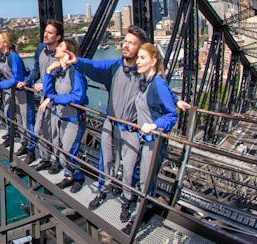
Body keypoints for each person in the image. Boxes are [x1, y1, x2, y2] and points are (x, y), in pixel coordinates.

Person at [65, 25, 148, 223]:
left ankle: (127, 200)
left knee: (129, 169)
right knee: (106, 161)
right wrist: (77, 62)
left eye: (131, 43)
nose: (126, 45)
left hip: (131, 128)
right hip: (110, 124)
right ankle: (104, 189)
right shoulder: (115, 66)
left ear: (140, 48)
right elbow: (95, 67)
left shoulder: (145, 72)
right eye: (125, 41)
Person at [122, 42, 179, 233]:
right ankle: (141, 209)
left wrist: (154, 125)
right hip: (143, 139)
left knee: (146, 181)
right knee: (139, 177)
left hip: (154, 141)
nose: (138, 61)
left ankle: (137, 221)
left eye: (142, 57)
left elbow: (172, 116)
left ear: (154, 61)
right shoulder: (145, 81)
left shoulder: (157, 83)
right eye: (138, 57)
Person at [42, 38, 88, 192]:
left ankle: (78, 176)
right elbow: (48, 92)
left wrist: (56, 99)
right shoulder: (59, 71)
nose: (57, 48)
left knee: (66, 154)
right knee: (63, 151)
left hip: (74, 119)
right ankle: (69, 176)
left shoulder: (76, 71)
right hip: (62, 117)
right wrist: (49, 72)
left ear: (68, 52)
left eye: (61, 46)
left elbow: (78, 96)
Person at [18, 20, 63, 173]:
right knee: (41, 129)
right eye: (45, 31)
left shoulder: (63, 53)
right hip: (46, 97)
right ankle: (44, 158)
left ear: (58, 37)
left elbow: (64, 77)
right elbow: (37, 69)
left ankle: (57, 161)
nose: (45, 34)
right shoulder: (40, 49)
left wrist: (45, 85)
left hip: (58, 99)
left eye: (50, 33)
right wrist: (28, 81)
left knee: (56, 132)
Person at [0, 32, 35, 162]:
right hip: (13, 91)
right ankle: (25, 144)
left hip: (22, 91)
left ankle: (32, 150)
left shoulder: (13, 57)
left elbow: (17, 78)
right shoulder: (2, 56)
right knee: (19, 120)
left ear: (6, 43)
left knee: (27, 121)